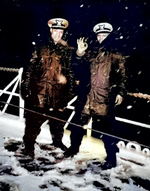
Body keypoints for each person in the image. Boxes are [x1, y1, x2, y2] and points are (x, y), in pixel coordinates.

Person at [65, 22, 127, 167]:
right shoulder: (91, 52)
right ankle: (73, 149)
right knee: (77, 126)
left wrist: (121, 92)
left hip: (104, 99)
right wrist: (80, 53)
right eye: (99, 35)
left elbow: (123, 76)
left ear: (110, 36)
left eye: (104, 35)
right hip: (86, 98)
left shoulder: (116, 54)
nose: (101, 38)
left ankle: (111, 159)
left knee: (107, 132)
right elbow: (77, 68)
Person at [21, 18, 77, 159]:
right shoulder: (41, 48)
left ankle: (57, 142)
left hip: (58, 95)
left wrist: (69, 92)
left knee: (58, 122)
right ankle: (28, 145)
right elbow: (30, 68)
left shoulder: (67, 51)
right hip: (39, 93)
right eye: (55, 31)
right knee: (33, 122)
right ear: (51, 31)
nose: (57, 34)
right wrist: (25, 87)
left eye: (60, 32)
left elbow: (69, 73)